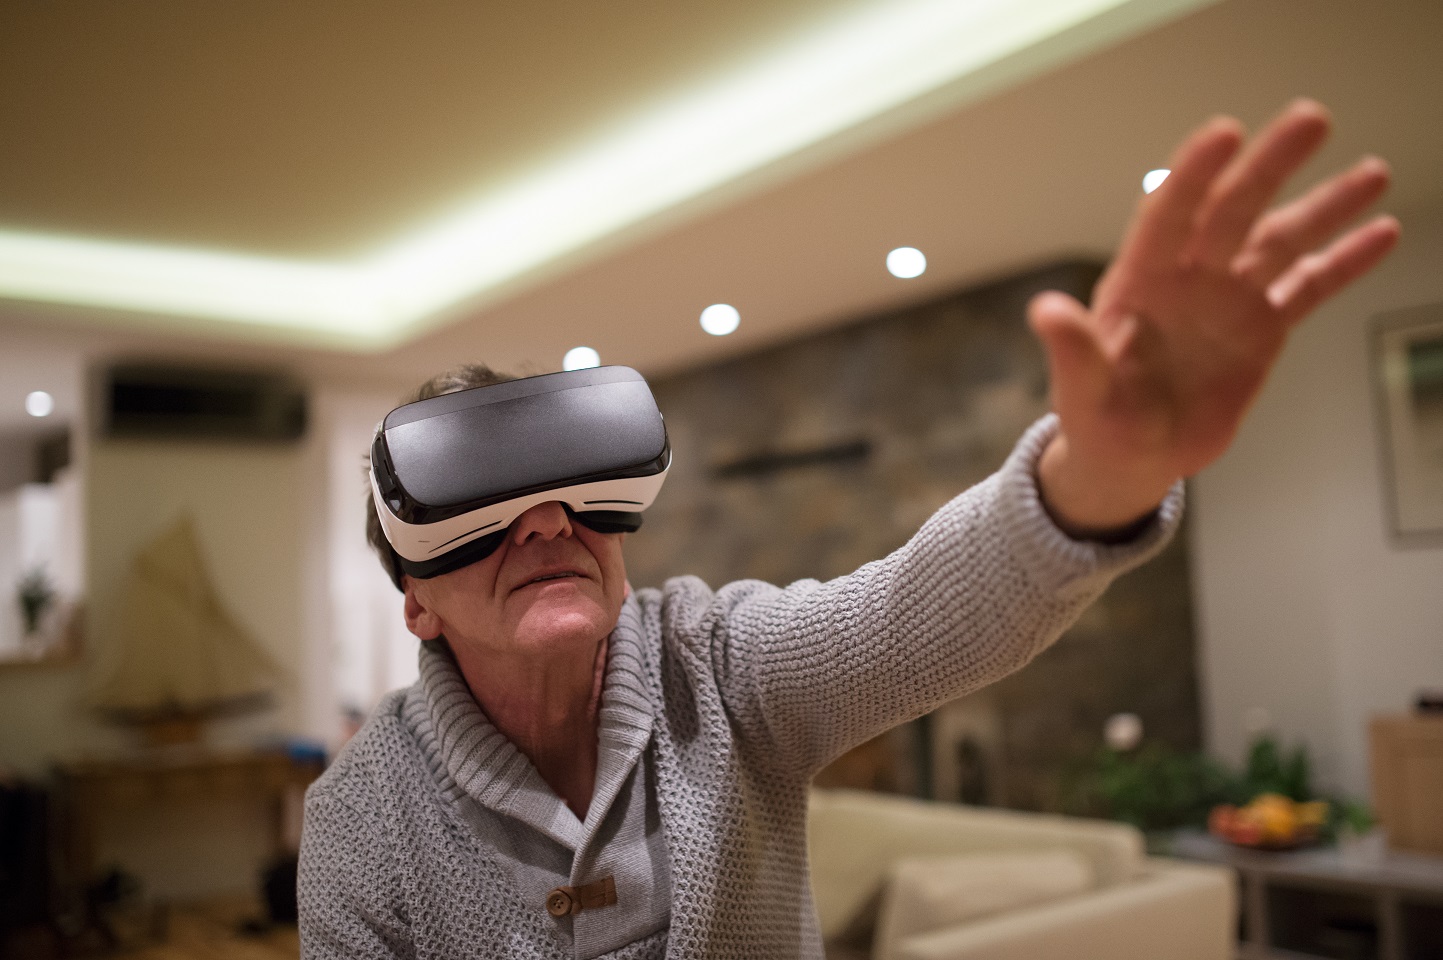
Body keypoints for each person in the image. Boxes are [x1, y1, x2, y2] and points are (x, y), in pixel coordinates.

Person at [298, 100, 1399, 959]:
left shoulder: (721, 671)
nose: (544, 521)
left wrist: (1104, 470)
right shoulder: (365, 812)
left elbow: (918, 612)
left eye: (571, 492)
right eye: (483, 517)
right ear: (417, 601)